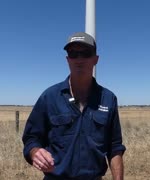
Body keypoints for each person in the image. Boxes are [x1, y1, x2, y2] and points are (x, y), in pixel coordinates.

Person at [22, 32, 126, 180]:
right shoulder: (50, 97)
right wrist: (35, 152)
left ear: (96, 59)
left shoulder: (108, 99)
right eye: (73, 54)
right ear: (67, 59)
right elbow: (31, 138)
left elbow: (114, 147)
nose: (79, 59)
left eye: (85, 53)